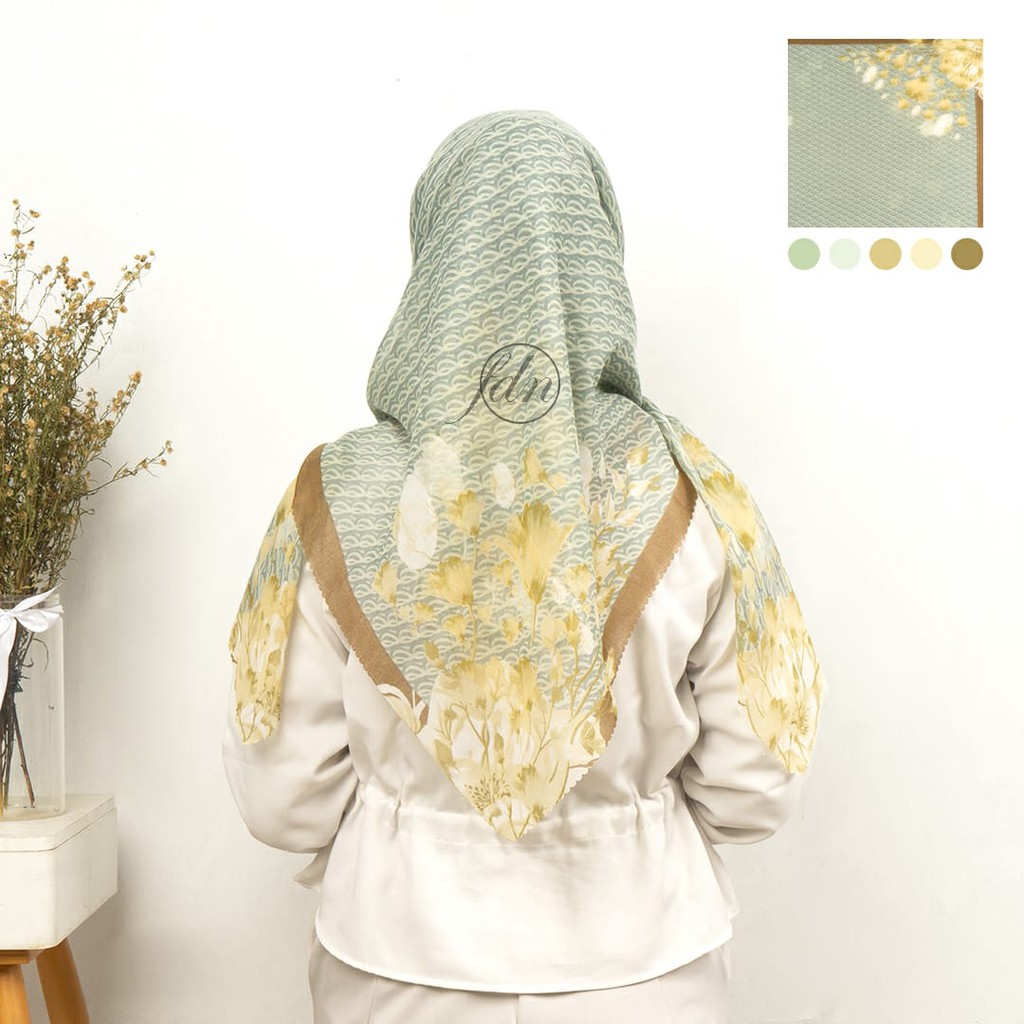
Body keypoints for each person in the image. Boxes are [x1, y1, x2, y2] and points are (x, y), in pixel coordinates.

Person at [223, 109, 826, 1023]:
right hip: (646, 965)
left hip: (395, 960)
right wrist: (626, 829)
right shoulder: (694, 490)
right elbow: (754, 787)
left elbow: (283, 799)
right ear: (599, 258)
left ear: (434, 256)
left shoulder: (335, 493)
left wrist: (407, 833)